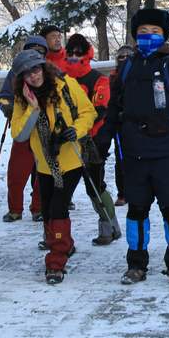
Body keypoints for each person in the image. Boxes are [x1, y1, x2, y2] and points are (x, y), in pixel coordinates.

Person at [100, 8, 169, 284]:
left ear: (164, 36)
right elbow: (113, 110)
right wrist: (102, 142)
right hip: (134, 151)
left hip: (167, 150)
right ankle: (136, 263)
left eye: (155, 32)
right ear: (135, 36)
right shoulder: (127, 68)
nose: (148, 37)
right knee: (137, 210)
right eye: (143, 32)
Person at [9, 49, 96, 284]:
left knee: (58, 207)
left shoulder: (65, 84)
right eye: (27, 74)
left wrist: (75, 130)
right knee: (47, 210)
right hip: (45, 164)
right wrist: (32, 107)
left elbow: (89, 111)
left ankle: (56, 262)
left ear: (43, 67)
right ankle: (63, 242)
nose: (33, 76)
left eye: (36, 69)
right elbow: (19, 134)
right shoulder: (22, 98)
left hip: (70, 160)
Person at [64, 33, 120, 246]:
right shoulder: (61, 79)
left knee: (94, 185)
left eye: (78, 53)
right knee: (62, 188)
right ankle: (57, 235)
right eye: (70, 53)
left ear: (86, 54)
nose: (74, 57)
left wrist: (80, 127)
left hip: (93, 139)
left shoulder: (98, 78)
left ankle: (109, 226)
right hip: (66, 141)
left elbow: (100, 109)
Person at [0, 35, 48, 222]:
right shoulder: (15, 73)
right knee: (17, 172)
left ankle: (39, 208)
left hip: (45, 132)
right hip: (24, 131)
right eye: (31, 50)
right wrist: (10, 110)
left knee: (43, 172)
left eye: (40, 51)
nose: (35, 55)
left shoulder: (49, 72)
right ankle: (15, 209)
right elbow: (4, 96)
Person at [110, 44, 134, 206]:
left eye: (127, 57)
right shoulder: (113, 77)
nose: (124, 59)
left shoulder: (138, 75)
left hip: (137, 123)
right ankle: (123, 193)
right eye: (121, 57)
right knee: (121, 159)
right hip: (119, 123)